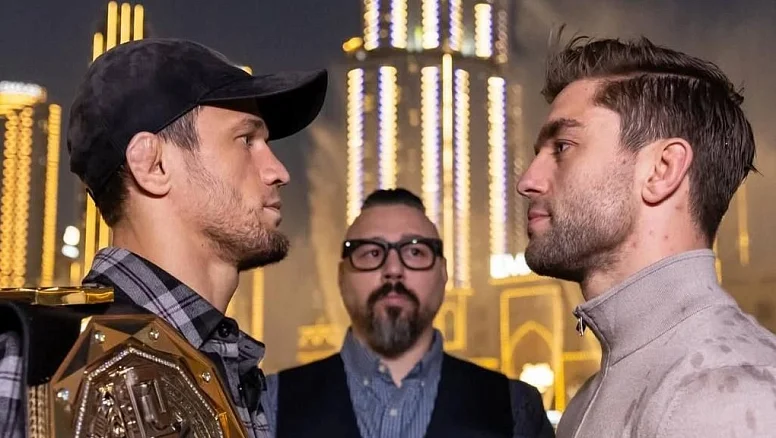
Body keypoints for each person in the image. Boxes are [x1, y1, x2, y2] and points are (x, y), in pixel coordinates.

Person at [0, 38, 327, 437]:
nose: (278, 171)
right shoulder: (34, 362)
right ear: (153, 165)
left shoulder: (239, 374)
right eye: (246, 140)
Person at [517, 31, 776, 438]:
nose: (527, 181)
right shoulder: (591, 398)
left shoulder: (726, 393)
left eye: (562, 147)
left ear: (662, 170)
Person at [262, 188, 554, 438]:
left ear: (443, 274)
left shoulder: (515, 409)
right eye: (371, 253)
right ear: (341, 277)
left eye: (415, 252)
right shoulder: (269, 403)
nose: (393, 270)